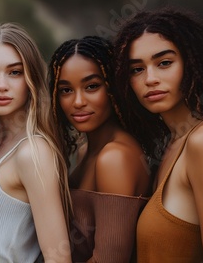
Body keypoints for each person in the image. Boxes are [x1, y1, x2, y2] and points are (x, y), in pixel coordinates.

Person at [110, 7, 203, 262]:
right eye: (137, 69)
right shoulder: (174, 144)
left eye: (164, 63)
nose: (150, 79)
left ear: (192, 63)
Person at [0, 23, 72, 262]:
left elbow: (58, 256)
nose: (1, 85)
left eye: (15, 72)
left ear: (31, 79)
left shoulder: (34, 151)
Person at [48, 35, 150, 262]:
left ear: (113, 88)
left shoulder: (114, 158)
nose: (78, 102)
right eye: (66, 90)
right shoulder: (87, 150)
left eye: (92, 86)